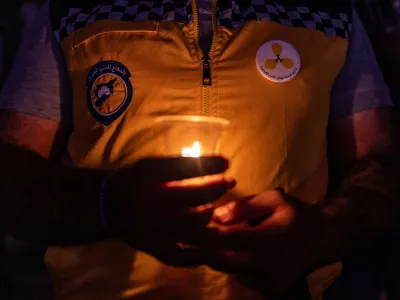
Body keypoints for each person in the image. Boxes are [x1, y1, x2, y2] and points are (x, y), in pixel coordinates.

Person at [0, 1, 399, 300]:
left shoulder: (328, 9)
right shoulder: (75, 7)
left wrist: (325, 231)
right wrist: (111, 203)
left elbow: (381, 161)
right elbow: (10, 169)